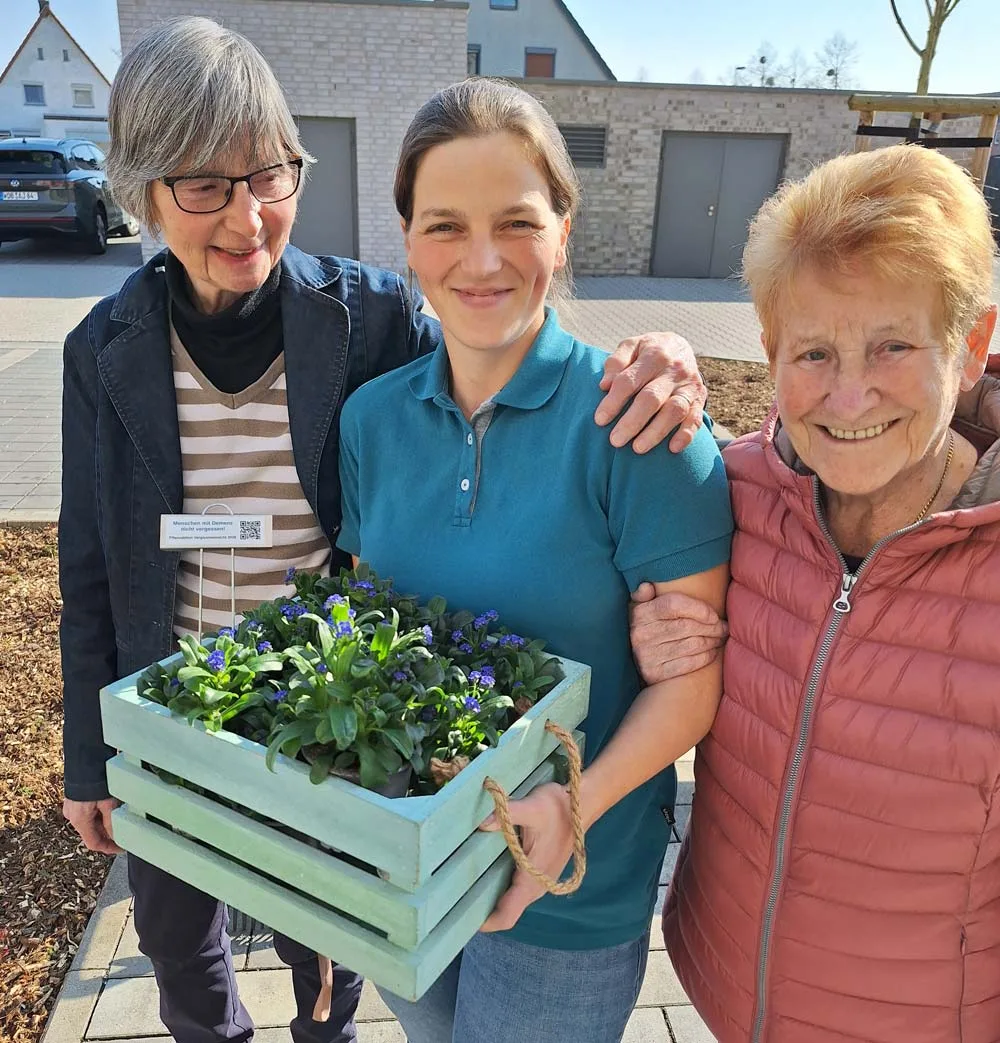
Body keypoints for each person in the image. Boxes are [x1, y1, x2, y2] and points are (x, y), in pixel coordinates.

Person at [58, 18, 711, 1043]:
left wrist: (664, 353)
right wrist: (90, 754)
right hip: (178, 710)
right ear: (143, 188)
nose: (247, 215)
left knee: (329, 958)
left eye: (268, 174)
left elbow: (492, 342)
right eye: (203, 184)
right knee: (181, 942)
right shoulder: (104, 347)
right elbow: (87, 556)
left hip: (339, 734)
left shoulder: (365, 318)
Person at [335, 78, 734, 1043]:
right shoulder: (371, 420)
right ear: (405, 238)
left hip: (563, 893)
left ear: (564, 228)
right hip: (407, 871)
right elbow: (360, 618)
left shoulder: (641, 426)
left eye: (516, 221)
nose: (481, 261)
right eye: (444, 226)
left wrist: (574, 805)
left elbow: (691, 686)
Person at [651, 144, 1000, 1043]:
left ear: (970, 348)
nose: (849, 396)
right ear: (769, 351)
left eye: (894, 344)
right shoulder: (727, 498)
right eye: (813, 350)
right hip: (728, 990)